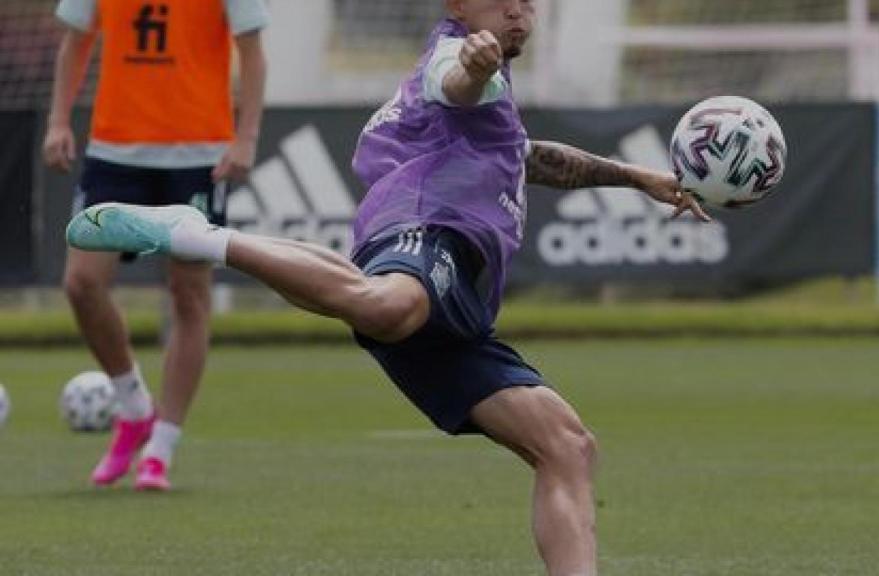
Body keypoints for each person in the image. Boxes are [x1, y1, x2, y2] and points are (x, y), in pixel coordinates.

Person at [66, 0, 708, 572]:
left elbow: (528, 156)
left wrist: (635, 176)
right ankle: (200, 236)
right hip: (427, 232)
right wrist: (474, 64)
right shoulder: (452, 53)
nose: (517, 11)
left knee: (567, 446)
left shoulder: (493, 105)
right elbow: (454, 81)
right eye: (500, 0)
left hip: (460, 314)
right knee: (391, 306)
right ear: (458, 6)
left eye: (526, 1)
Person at [43, 0, 268, 491]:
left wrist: (246, 136)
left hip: (199, 155)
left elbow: (251, 50)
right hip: (114, 152)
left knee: (188, 296)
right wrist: (59, 120)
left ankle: (160, 449)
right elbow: (75, 41)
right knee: (81, 284)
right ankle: (135, 406)